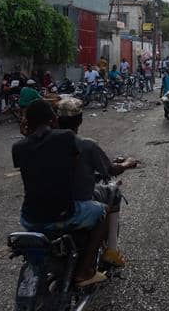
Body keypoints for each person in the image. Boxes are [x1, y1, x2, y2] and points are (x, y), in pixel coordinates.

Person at [12, 99, 108, 287]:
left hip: (28, 218)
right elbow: (73, 165)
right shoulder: (66, 137)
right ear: (52, 119)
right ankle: (84, 271)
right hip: (62, 213)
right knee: (101, 213)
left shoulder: (18, 147)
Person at [56, 97, 137, 267]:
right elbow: (110, 170)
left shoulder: (41, 143)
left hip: (45, 204)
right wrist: (128, 163)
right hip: (75, 204)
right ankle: (111, 251)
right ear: (80, 120)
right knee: (113, 194)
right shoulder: (86, 145)